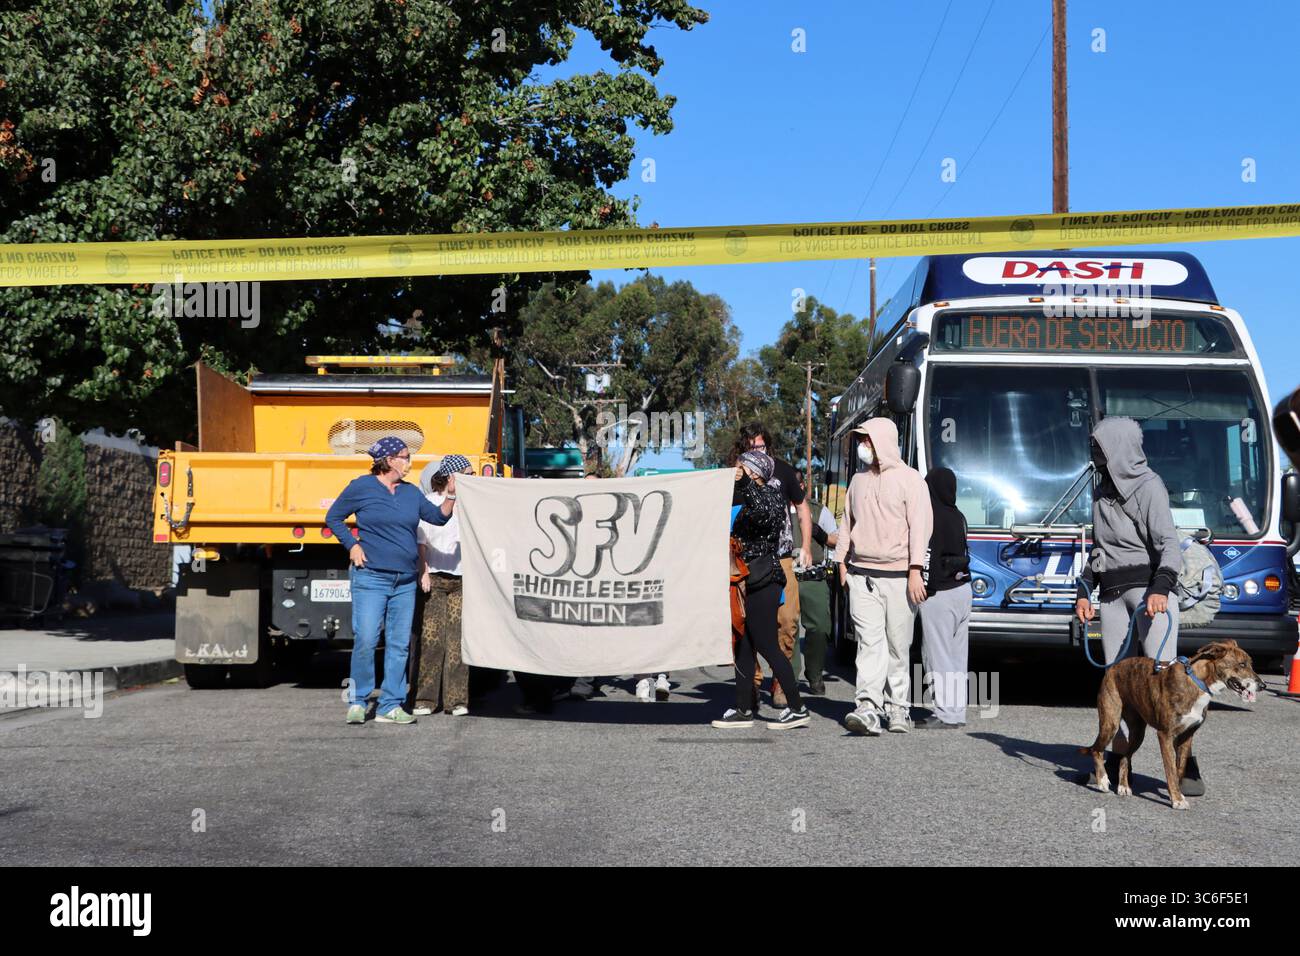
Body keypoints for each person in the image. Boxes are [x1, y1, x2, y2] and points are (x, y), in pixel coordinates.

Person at [1074, 416, 1199, 793]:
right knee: (1118, 682)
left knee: (1168, 681)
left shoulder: (1150, 487)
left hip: (1150, 593)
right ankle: (1117, 759)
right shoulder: (1100, 493)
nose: (1094, 454)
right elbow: (1099, 551)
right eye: (1094, 447)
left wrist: (1161, 588)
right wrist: (1084, 591)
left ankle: (1187, 764)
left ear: (1119, 449)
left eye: (1100, 447)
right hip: (1111, 597)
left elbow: (1169, 545)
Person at [326, 437, 455, 725]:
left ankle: (390, 704)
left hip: (405, 581)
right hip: (371, 577)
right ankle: (358, 701)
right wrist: (352, 545)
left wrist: (451, 495)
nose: (410, 462)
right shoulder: (361, 487)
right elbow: (333, 517)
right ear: (388, 460)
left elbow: (437, 518)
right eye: (405, 457)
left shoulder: (410, 493)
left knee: (399, 645)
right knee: (367, 639)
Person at [834, 418, 932, 736]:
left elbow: (920, 527)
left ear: (883, 442)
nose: (863, 446)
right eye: (861, 440)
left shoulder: (911, 480)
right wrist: (842, 563)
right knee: (869, 642)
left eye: (867, 440)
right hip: (861, 575)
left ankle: (899, 707)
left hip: (901, 576)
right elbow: (846, 524)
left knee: (898, 645)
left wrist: (915, 570)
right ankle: (867, 706)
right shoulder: (858, 482)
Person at [713, 450, 811, 730]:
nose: (737, 470)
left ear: (755, 471)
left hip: (765, 580)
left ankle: (798, 707)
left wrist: (744, 482)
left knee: (767, 644)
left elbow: (761, 512)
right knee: (744, 646)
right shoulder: (746, 495)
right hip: (747, 579)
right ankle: (744, 709)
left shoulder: (769, 495)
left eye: (743, 467)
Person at [737, 424, 811, 709]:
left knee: (788, 620)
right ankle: (750, 686)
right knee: (744, 631)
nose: (757, 452)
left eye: (761, 446)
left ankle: (784, 685)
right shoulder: (735, 475)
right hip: (741, 561)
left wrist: (805, 546)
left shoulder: (777, 477)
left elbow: (797, 507)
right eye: (751, 447)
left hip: (777, 558)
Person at [410, 454, 473, 718]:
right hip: (434, 578)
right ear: (451, 477)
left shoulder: (471, 505)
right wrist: (423, 572)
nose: (472, 477)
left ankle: (456, 700)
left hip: (461, 580)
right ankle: (425, 699)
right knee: (432, 640)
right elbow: (421, 542)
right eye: (467, 473)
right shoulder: (430, 504)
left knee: (458, 642)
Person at [917, 467, 971, 729]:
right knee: (958, 656)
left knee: (937, 655)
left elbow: (928, 555)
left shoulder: (931, 516)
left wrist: (924, 588)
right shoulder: (959, 515)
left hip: (940, 592)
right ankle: (957, 712)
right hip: (964, 589)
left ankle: (945, 714)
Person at [792, 473, 838, 696]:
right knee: (786, 628)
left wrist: (820, 534)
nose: (795, 487)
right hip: (786, 578)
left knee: (820, 628)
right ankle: (788, 678)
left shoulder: (819, 510)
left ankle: (815, 674)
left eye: (798, 483)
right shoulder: (777, 508)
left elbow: (837, 540)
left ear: (803, 485)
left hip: (813, 577)